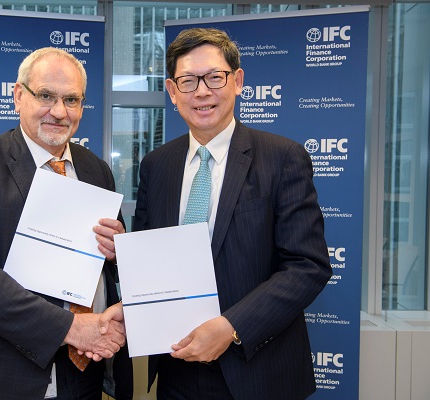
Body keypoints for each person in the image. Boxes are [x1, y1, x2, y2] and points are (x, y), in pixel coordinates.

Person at [134, 28, 332, 400]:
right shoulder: (156, 165)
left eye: (215, 77)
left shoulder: (282, 158)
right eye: (188, 81)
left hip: (258, 370)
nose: (202, 92)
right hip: (178, 369)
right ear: (173, 91)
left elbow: (308, 265)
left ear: (237, 81)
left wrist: (231, 327)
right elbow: (150, 254)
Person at [0, 47, 132, 400]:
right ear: (18, 96)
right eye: (45, 96)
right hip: (1, 377)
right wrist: (72, 328)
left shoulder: (96, 170)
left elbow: (111, 268)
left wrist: (118, 254)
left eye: (71, 99)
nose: (59, 112)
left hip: (83, 375)